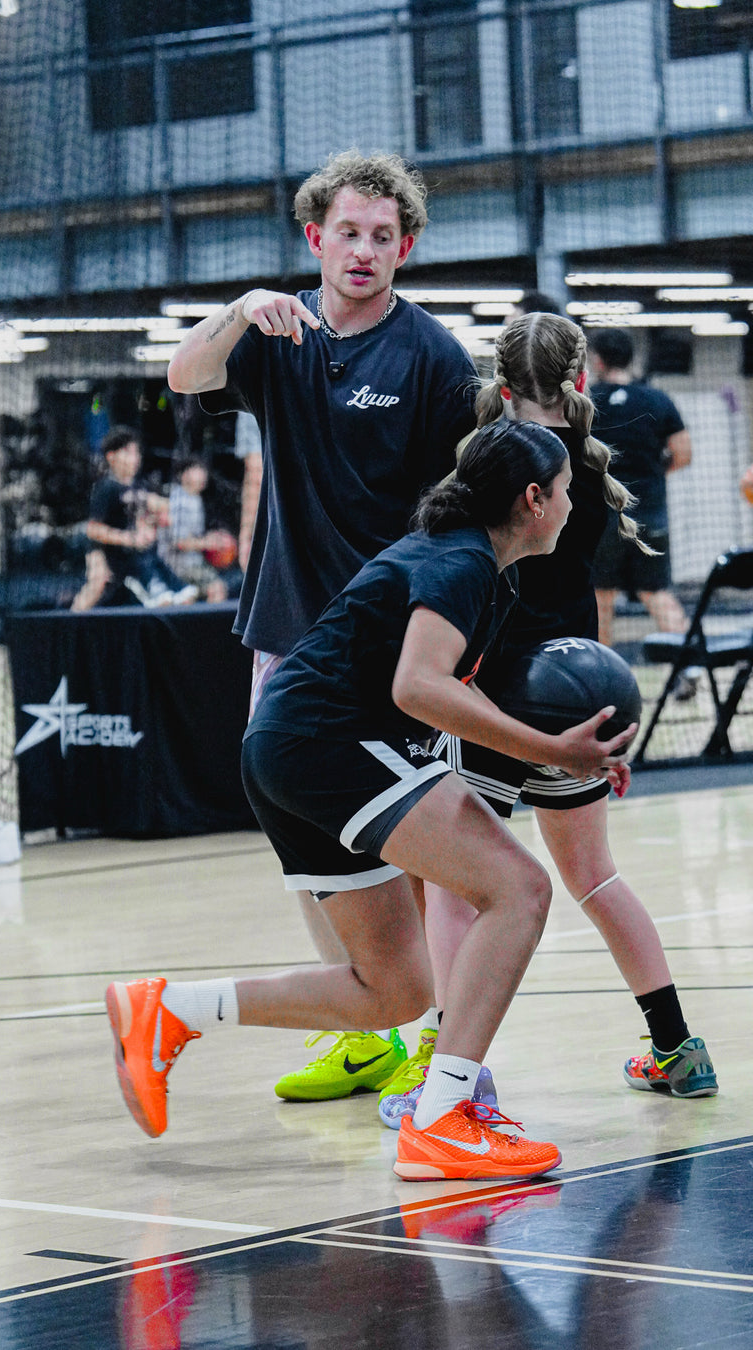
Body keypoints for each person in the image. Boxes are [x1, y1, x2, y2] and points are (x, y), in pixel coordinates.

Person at [105, 420, 637, 1180]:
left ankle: (170, 1010)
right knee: (518, 889)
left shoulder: (481, 569)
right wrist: (554, 750)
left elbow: (456, 687)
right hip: (327, 744)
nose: (570, 503)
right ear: (533, 498)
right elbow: (416, 687)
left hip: (288, 747)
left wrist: (566, 760)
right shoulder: (461, 564)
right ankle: (445, 1117)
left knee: (391, 990)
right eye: (567, 491)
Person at [166, 150, 478, 1101]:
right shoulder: (277, 331)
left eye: (383, 237)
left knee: (415, 847)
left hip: (393, 646)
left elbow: (458, 510)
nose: (364, 250)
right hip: (288, 630)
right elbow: (185, 374)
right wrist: (241, 306)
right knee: (311, 845)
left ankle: (434, 1035)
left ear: (405, 249)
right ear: (316, 237)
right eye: (348, 232)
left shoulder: (431, 357)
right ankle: (366, 1029)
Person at [376, 314, 717, 1129]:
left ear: (497, 391)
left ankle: (454, 1078)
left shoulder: (492, 468)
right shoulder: (592, 473)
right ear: (582, 381)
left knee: (460, 892)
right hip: (582, 694)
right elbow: (584, 607)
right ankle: (676, 1047)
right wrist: (604, 722)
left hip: (500, 698)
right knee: (596, 877)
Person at [586, 329, 700, 701]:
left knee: (601, 599)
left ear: (598, 360)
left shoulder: (587, 400)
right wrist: (650, 475)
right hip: (650, 514)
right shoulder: (656, 398)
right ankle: (688, 666)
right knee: (657, 594)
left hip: (602, 517)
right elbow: (682, 453)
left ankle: (603, 683)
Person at [71, 427, 198, 610]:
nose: (135, 457)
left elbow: (155, 512)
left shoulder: (140, 486)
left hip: (133, 557)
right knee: (97, 583)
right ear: (111, 457)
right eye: (128, 452)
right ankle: (73, 623)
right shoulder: (106, 487)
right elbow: (93, 530)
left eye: (136, 452)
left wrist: (155, 522)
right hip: (104, 552)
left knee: (179, 595)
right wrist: (130, 539)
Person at [158, 457, 234, 603]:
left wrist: (212, 537)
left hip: (193, 562)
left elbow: (193, 536)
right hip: (176, 565)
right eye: (197, 469)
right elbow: (179, 542)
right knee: (216, 588)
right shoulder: (179, 499)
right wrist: (208, 543)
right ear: (184, 475)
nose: (203, 474)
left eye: (203, 470)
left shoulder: (195, 498)